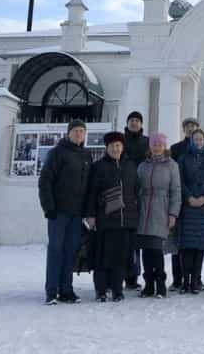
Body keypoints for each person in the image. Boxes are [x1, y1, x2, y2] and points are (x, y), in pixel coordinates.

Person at [38, 118, 92, 305]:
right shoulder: (57, 153)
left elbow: (88, 185)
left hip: (76, 214)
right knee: (55, 250)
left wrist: (87, 210)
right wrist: (48, 207)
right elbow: (45, 181)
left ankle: (66, 290)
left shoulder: (86, 155)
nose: (79, 134)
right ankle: (51, 291)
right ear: (68, 133)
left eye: (82, 131)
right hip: (58, 212)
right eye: (76, 131)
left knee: (70, 252)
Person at [85, 131, 138, 302]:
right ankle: (101, 290)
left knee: (120, 258)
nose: (115, 149)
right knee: (102, 257)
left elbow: (136, 191)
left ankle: (117, 290)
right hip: (105, 220)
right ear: (106, 148)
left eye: (118, 146)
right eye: (112, 146)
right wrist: (91, 215)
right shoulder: (98, 166)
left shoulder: (130, 166)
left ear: (122, 147)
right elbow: (91, 192)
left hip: (125, 221)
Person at [136, 132, 181, 298]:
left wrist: (173, 213)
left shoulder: (172, 165)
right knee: (146, 250)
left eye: (160, 145)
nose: (157, 147)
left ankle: (160, 284)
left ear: (164, 147)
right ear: (150, 147)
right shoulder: (143, 166)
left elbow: (176, 191)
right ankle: (148, 284)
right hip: (143, 209)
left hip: (161, 209)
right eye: (154, 145)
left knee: (156, 249)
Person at [177, 128, 204, 294]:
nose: (198, 142)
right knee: (187, 246)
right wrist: (189, 198)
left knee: (200, 247)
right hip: (188, 207)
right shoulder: (183, 159)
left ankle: (195, 280)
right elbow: (179, 180)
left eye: (201, 139)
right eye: (196, 139)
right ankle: (185, 281)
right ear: (191, 141)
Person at [169, 117, 200, 291]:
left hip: (197, 201)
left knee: (195, 240)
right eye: (188, 126)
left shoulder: (202, 148)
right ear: (183, 129)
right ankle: (177, 278)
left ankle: (196, 277)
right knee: (177, 241)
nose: (190, 129)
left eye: (193, 126)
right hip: (180, 198)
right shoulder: (175, 149)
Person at [123, 110, 149, 288]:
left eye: (137, 121)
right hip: (124, 192)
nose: (134, 123)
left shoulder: (146, 142)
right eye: (131, 120)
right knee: (124, 237)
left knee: (137, 238)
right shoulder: (120, 141)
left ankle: (133, 276)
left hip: (142, 194)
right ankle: (122, 274)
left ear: (141, 124)